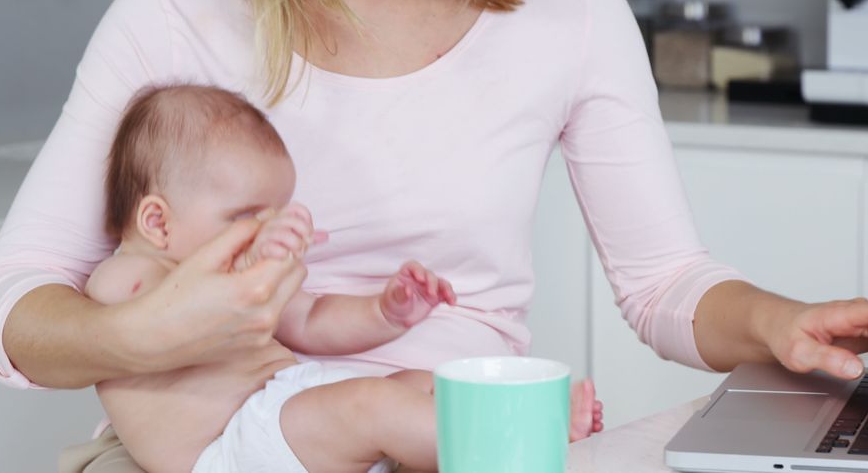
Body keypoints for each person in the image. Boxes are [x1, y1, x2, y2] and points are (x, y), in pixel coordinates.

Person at [0, 0, 868, 471]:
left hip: (456, 438)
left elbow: (663, 285)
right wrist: (141, 336)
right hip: (215, 445)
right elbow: (14, 307)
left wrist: (781, 321)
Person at [83, 84, 601, 472]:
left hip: (282, 412)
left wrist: (386, 310)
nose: (265, 230)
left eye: (277, 212)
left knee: (415, 383)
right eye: (246, 217)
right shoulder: (122, 280)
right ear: (157, 222)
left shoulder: (245, 286)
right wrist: (253, 259)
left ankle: (519, 424)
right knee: (371, 404)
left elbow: (311, 320)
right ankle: (513, 449)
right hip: (226, 450)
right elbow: (163, 323)